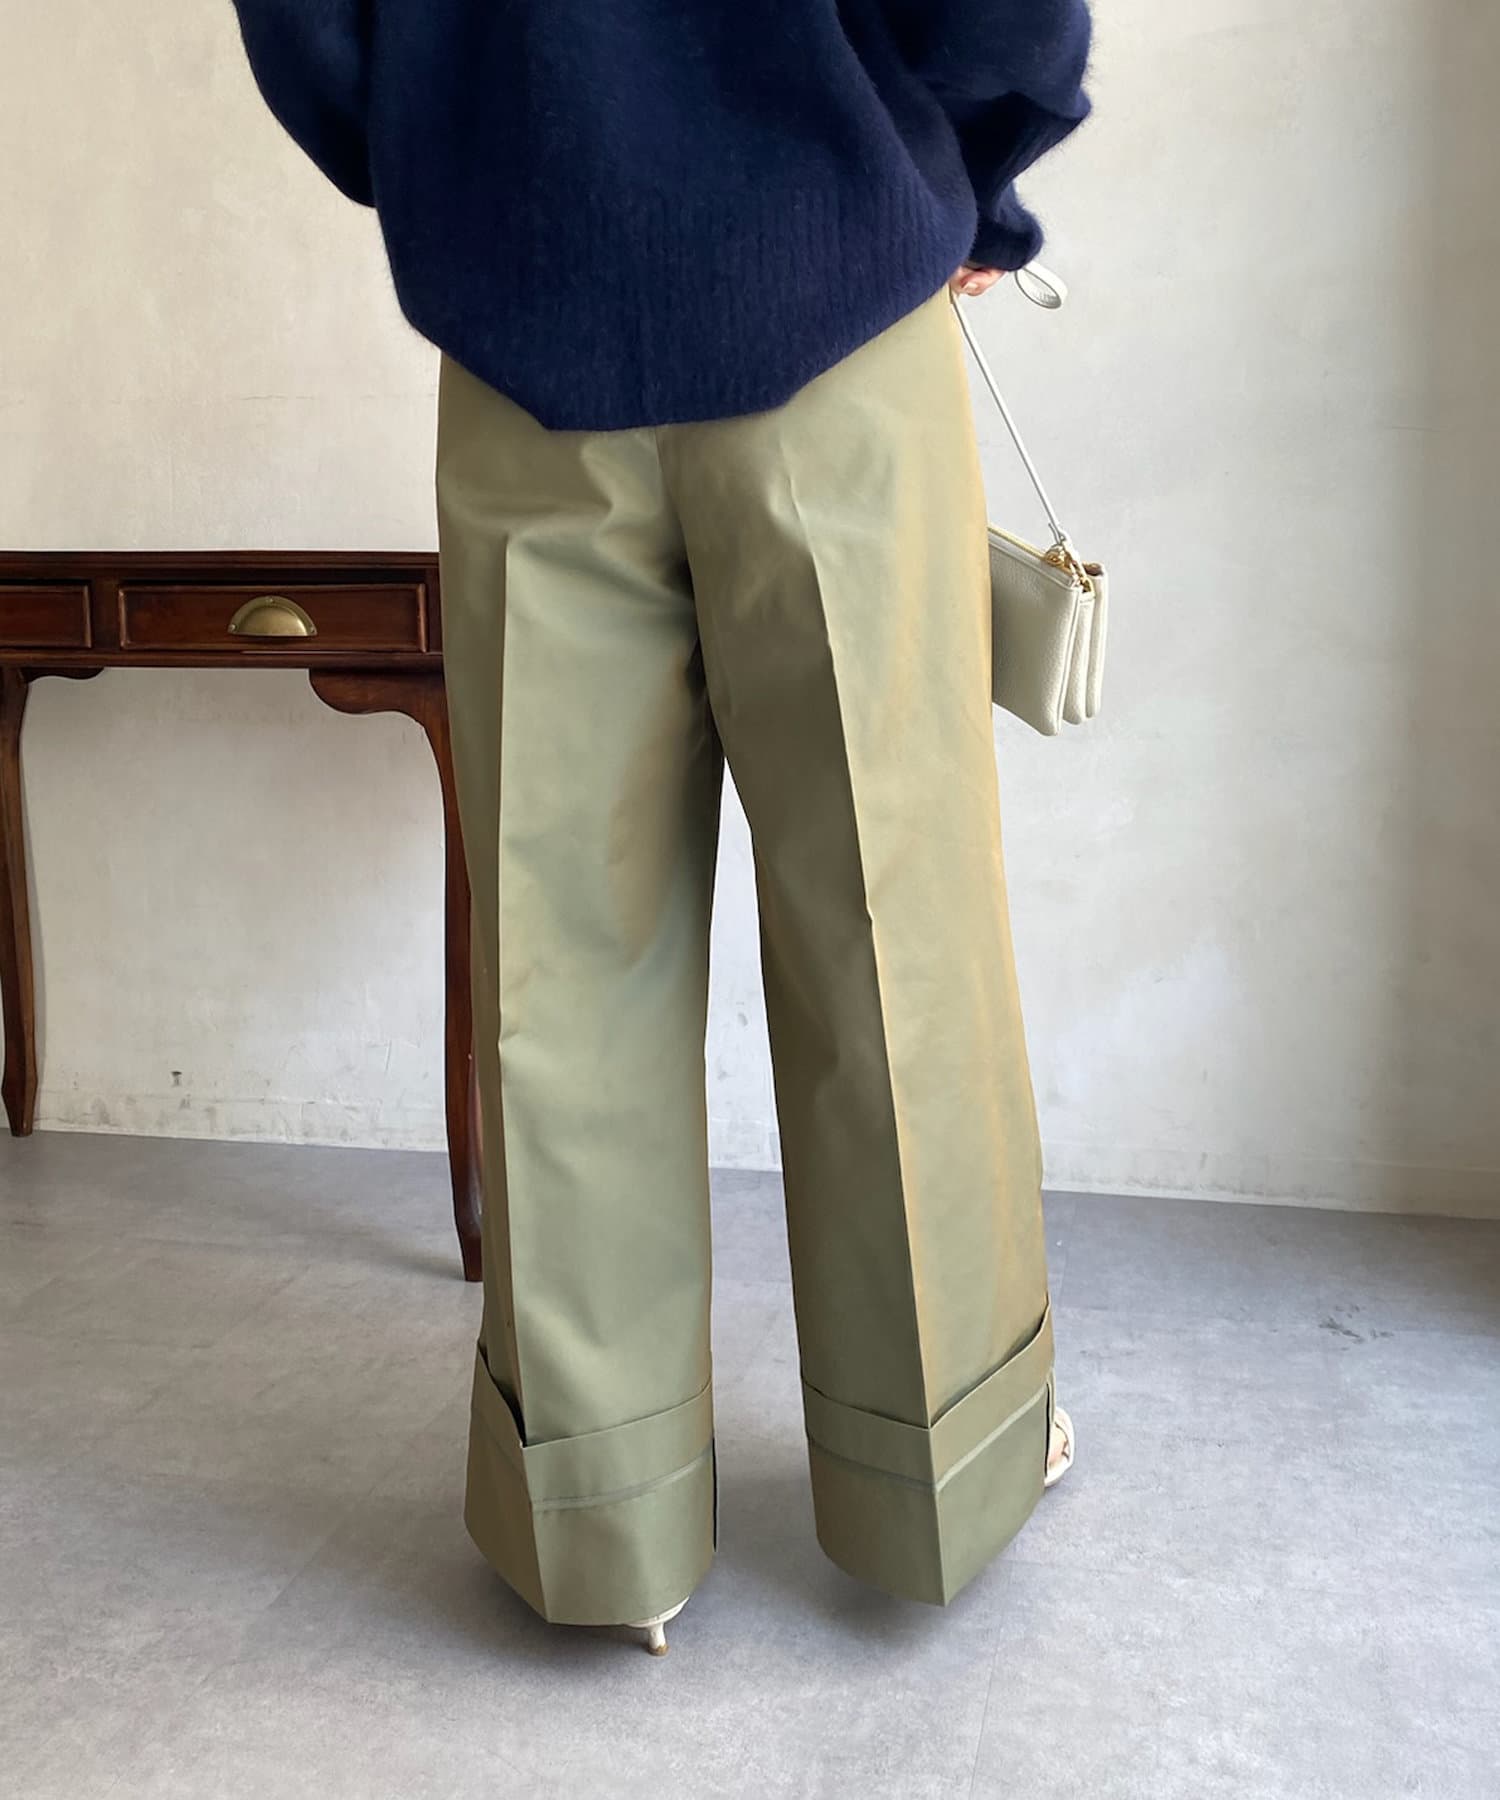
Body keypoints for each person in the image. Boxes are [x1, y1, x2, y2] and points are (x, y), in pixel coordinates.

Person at [231, 0, 1091, 1653]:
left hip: (526, 321)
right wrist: (972, 183)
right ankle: (942, 1469)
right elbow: (1003, 16)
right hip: (832, 295)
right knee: (891, 923)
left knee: (564, 951)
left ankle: (604, 1524)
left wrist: (463, 162)